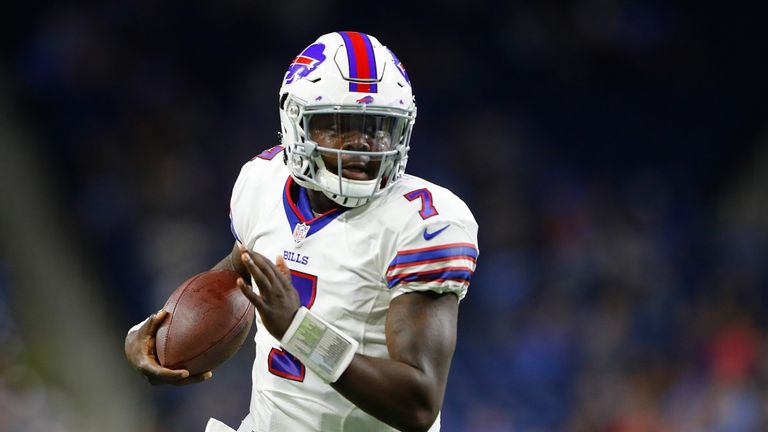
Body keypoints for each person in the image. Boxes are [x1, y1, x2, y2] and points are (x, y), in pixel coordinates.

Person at [124, 31, 479, 432]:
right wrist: (155, 334)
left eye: (378, 127)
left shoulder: (422, 221)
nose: (362, 143)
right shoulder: (263, 182)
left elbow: (419, 403)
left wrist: (299, 330)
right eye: (340, 125)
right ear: (297, 125)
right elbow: (235, 275)